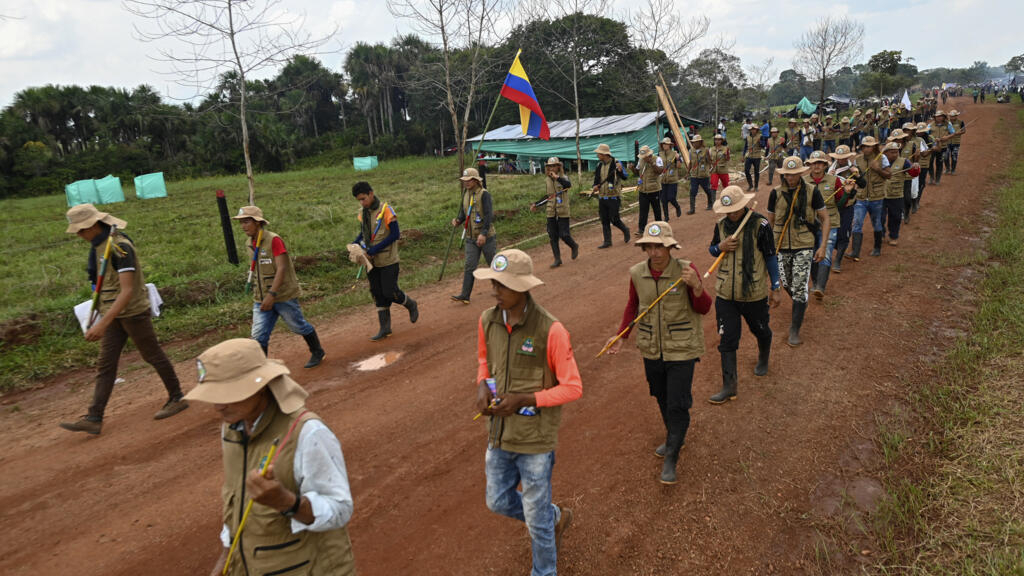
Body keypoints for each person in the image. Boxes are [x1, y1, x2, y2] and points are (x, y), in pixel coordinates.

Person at [184, 338, 355, 576]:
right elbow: (235, 502)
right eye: (214, 395)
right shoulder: (232, 429)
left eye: (227, 394)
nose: (218, 406)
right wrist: (226, 560)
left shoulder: (307, 432)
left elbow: (340, 509)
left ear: (261, 387)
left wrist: (286, 501)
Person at [472, 249, 582, 576]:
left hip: (535, 442)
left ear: (523, 288)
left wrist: (525, 399)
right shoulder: (487, 320)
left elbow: (573, 387)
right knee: (497, 501)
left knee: (535, 519)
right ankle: (553, 516)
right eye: (494, 283)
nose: (496, 291)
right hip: (499, 434)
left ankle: (544, 570)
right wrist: (481, 385)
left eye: (503, 286)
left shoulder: (552, 330)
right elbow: (483, 362)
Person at [59, 204, 188, 434]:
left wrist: (102, 323)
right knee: (105, 365)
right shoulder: (98, 246)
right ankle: (94, 417)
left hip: (133, 313)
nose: (78, 235)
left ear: (94, 224)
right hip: (113, 314)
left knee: (152, 355)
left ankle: (177, 397)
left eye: (80, 230)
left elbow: (127, 290)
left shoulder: (119, 247)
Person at [605, 221, 710, 484]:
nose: (655, 253)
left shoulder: (686, 270)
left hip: (682, 348)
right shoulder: (637, 273)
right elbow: (632, 306)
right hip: (652, 348)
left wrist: (697, 286)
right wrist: (621, 336)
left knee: (677, 402)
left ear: (670, 246)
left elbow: (704, 308)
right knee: (661, 395)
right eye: (650, 247)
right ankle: (676, 434)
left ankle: (671, 455)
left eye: (660, 246)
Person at [707, 186, 780, 404]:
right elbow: (711, 250)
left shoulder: (761, 224)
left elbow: (770, 257)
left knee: (760, 329)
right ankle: (729, 386)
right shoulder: (720, 226)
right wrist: (721, 246)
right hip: (725, 293)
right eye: (728, 211)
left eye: (735, 210)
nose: (731, 214)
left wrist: (775, 287)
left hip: (753, 293)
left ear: (744, 205)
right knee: (727, 339)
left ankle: (763, 356)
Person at [234, 206, 326, 364]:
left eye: (247, 222)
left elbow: (282, 268)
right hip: (261, 297)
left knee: (298, 326)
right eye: (241, 222)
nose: (243, 226)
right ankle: (262, 367)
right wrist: (263, 295)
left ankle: (317, 351)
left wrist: (272, 295)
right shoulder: (249, 243)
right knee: (258, 335)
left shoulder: (274, 240)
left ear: (258, 222)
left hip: (282, 295)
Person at [766, 157, 829, 347]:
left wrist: (823, 245)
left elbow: (825, 219)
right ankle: (801, 302)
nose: (791, 178)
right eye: (787, 175)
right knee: (785, 282)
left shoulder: (812, 192)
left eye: (794, 174)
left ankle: (794, 329)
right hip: (781, 245)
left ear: (801, 173)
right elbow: (770, 222)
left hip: (804, 244)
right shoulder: (775, 193)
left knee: (800, 288)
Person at [351, 182, 419, 341]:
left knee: (389, 291)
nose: (362, 202)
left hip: (388, 259)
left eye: (363, 198)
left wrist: (375, 249)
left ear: (371, 193)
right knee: (377, 292)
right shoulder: (363, 213)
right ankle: (385, 328)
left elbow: (395, 234)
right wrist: (355, 244)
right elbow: (363, 233)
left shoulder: (386, 210)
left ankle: (410, 304)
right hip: (371, 262)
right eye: (359, 200)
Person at [804, 150, 854, 299]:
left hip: (830, 221)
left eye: (819, 163)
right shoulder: (804, 181)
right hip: (810, 224)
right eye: (813, 163)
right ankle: (815, 281)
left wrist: (846, 192)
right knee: (812, 253)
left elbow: (840, 203)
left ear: (825, 165)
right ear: (809, 165)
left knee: (825, 252)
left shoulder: (834, 181)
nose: (816, 166)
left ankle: (820, 286)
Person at [451, 168, 496, 304]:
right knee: (470, 265)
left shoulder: (484, 194)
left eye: (469, 180)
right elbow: (465, 213)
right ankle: (465, 295)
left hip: (486, 237)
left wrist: (483, 233)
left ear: (476, 180)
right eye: (464, 180)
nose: (466, 182)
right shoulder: (465, 194)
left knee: (493, 264)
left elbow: (489, 215)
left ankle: (504, 288)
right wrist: (458, 220)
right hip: (471, 238)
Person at [531, 158, 579, 268]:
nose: (551, 168)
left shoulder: (563, 177)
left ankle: (574, 246)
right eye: (549, 166)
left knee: (564, 234)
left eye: (553, 166)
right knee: (553, 236)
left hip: (562, 210)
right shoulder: (547, 180)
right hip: (551, 211)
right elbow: (548, 196)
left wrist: (557, 178)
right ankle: (557, 259)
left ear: (558, 167)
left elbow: (568, 185)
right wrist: (536, 204)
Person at [847, 137, 888, 260]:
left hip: (877, 196)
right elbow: (854, 178)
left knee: (877, 223)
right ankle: (855, 251)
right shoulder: (857, 160)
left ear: (874, 147)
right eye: (864, 146)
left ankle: (877, 248)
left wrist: (877, 168)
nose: (866, 148)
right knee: (857, 223)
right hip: (861, 197)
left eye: (869, 146)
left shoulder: (882, 158)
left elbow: (889, 174)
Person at [826, 145, 864, 274]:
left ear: (848, 157)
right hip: (832, 207)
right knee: (829, 233)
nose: (841, 160)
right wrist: (829, 176)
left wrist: (858, 175)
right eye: (839, 158)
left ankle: (837, 260)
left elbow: (863, 184)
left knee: (844, 233)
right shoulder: (830, 168)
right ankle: (832, 252)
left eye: (843, 158)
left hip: (847, 206)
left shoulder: (853, 168)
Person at [591, 143, 632, 249]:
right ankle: (607, 241)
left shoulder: (616, 163)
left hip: (613, 196)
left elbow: (625, 177)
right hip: (602, 196)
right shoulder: (599, 165)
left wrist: (620, 170)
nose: (597, 155)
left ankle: (625, 230)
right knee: (604, 219)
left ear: (604, 154)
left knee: (614, 219)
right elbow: (596, 179)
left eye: (599, 153)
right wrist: (595, 186)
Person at [881, 141, 912, 247]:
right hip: (880, 194)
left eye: (896, 152)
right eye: (892, 152)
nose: (895, 154)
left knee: (896, 217)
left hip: (896, 195)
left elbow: (913, 173)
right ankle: (881, 233)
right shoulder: (879, 162)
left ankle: (893, 236)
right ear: (885, 153)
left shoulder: (904, 162)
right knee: (879, 217)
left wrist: (916, 167)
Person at [631, 144, 665, 234]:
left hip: (654, 190)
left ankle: (659, 229)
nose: (643, 158)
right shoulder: (641, 160)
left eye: (644, 156)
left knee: (656, 210)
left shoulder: (657, 159)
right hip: (643, 190)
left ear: (649, 155)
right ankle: (641, 229)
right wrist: (632, 169)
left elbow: (660, 171)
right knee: (643, 211)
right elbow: (637, 172)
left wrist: (652, 163)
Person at [685, 135, 713, 213]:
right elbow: (690, 162)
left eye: (696, 142)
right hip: (694, 175)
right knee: (692, 191)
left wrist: (708, 156)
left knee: (707, 190)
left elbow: (710, 162)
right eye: (693, 142)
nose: (694, 144)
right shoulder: (691, 151)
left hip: (704, 175)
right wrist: (688, 172)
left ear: (700, 142)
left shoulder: (706, 150)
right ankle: (692, 209)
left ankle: (710, 204)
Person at [657, 137, 684, 219]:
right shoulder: (659, 154)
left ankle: (677, 207)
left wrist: (678, 158)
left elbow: (679, 166)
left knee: (671, 197)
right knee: (663, 200)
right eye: (663, 144)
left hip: (672, 180)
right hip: (663, 180)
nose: (664, 145)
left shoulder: (674, 154)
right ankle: (666, 217)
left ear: (670, 145)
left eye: (666, 144)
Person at [928, 110, 953, 186]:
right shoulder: (930, 125)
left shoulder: (948, 124)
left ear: (944, 117)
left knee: (939, 163)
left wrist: (947, 137)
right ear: (935, 117)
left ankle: (938, 179)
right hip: (932, 147)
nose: (939, 118)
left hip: (943, 147)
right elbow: (926, 134)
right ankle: (931, 177)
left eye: (941, 116)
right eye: (937, 116)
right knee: (930, 162)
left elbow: (953, 133)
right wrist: (932, 139)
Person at [743, 124, 764, 192]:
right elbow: (745, 146)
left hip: (757, 156)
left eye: (754, 129)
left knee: (756, 172)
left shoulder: (760, 136)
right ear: (750, 130)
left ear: (757, 130)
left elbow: (763, 146)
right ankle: (750, 185)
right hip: (749, 156)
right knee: (746, 170)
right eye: (752, 129)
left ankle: (756, 186)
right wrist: (743, 155)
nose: (753, 130)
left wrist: (760, 142)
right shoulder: (748, 137)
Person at [947, 109, 966, 175]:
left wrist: (957, 133)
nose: (952, 118)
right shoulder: (946, 122)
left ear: (956, 116)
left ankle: (953, 170)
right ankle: (947, 168)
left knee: (954, 156)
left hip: (956, 142)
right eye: (951, 116)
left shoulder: (960, 122)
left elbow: (963, 131)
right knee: (945, 156)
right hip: (947, 142)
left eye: (953, 116)